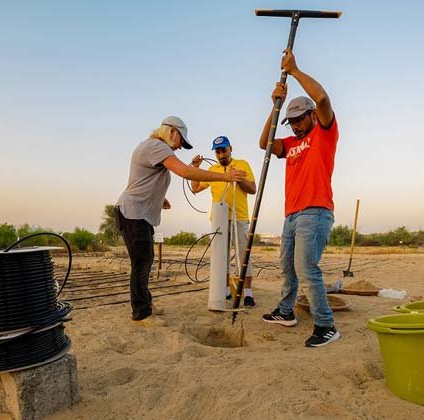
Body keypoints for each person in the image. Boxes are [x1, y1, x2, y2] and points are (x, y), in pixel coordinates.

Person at [116, 116, 246, 321]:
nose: (178, 148)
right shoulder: (156, 146)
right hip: (134, 213)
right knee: (142, 263)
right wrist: (225, 177)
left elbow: (145, 179)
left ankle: (145, 305)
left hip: (139, 212)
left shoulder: (153, 147)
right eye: (180, 142)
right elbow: (184, 172)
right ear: (172, 132)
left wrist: (159, 199)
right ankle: (142, 313)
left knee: (145, 260)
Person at [259, 49, 340, 347]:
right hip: (291, 214)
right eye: (289, 121)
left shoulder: (324, 133)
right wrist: (275, 107)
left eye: (297, 119)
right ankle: (285, 311)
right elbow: (264, 143)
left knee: (307, 269)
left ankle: (326, 325)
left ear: (311, 116)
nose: (293, 125)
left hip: (315, 211)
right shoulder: (291, 142)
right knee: (287, 267)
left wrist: (294, 71)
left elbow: (322, 100)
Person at [190, 136, 257, 307]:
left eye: (223, 150)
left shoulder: (242, 164)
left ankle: (248, 293)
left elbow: (253, 189)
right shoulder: (213, 169)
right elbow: (195, 188)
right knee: (222, 257)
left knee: (244, 255)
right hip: (219, 219)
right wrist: (195, 168)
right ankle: (226, 290)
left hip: (239, 217)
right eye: (218, 151)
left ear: (230, 149)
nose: (221, 154)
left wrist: (239, 179)